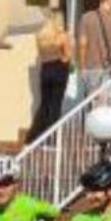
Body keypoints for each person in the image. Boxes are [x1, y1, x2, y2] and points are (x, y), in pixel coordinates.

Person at [29, 9, 72, 140]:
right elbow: (67, 56)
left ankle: (35, 135)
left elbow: (41, 55)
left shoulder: (41, 37)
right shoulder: (62, 36)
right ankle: (51, 138)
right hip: (59, 70)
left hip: (45, 70)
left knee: (45, 104)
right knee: (55, 105)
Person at [75, 0, 111, 103]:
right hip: (110, 65)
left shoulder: (87, 17)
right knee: (108, 99)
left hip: (91, 65)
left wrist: (82, 66)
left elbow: (83, 43)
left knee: (94, 99)